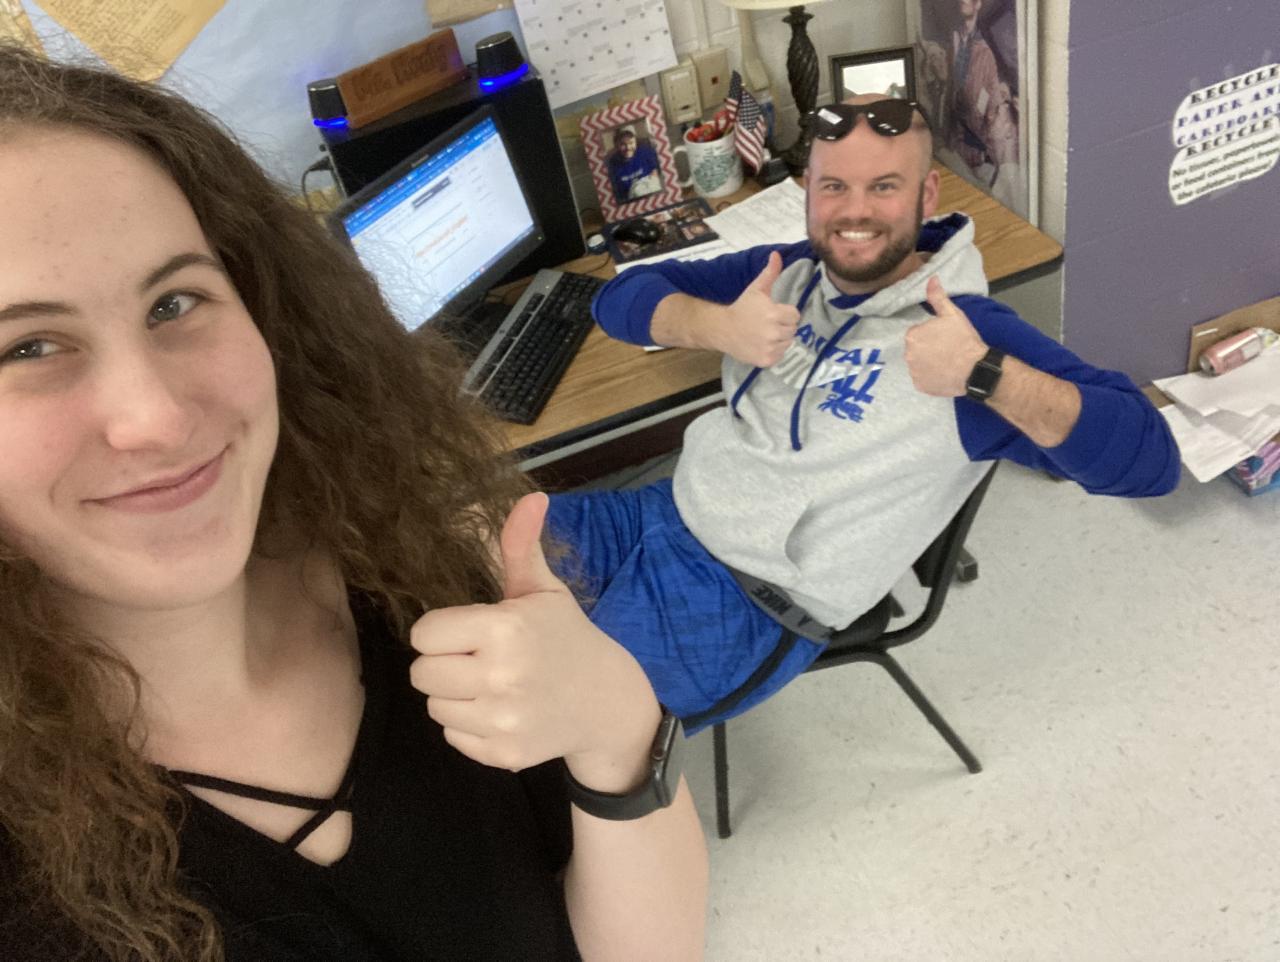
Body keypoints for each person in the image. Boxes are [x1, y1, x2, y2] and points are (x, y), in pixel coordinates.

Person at [0, 44, 707, 962]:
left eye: (174, 303)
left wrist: (617, 728)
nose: (157, 418)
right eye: (25, 349)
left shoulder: (412, 579)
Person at [547, 94, 1180, 735]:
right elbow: (619, 298)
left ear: (926, 195)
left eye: (884, 186)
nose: (855, 211)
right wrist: (717, 327)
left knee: (549, 723)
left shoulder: (968, 330)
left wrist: (985, 373)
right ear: (807, 193)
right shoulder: (791, 272)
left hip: (745, 601)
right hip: (661, 513)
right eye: (834, 187)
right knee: (487, 548)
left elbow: (1153, 461)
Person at [946, 0, 1009, 172]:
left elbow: (992, 107)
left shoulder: (986, 51)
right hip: (951, 144)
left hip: (974, 148)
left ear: (978, 4)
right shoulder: (952, 41)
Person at [607, 126, 662, 203]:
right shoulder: (612, 164)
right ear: (616, 145)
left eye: (631, 143)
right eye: (622, 144)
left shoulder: (646, 151)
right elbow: (618, 195)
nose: (628, 148)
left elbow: (656, 170)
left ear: (636, 142)